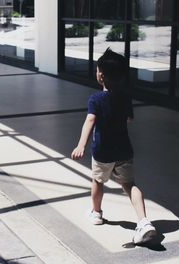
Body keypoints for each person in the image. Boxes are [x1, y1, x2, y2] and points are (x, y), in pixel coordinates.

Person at [71, 48, 157, 245]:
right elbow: (128, 119)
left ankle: (97, 213)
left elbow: (90, 121)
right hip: (124, 149)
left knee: (98, 181)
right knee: (129, 185)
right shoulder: (125, 97)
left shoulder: (95, 99)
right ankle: (144, 222)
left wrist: (81, 144)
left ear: (100, 75)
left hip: (102, 151)